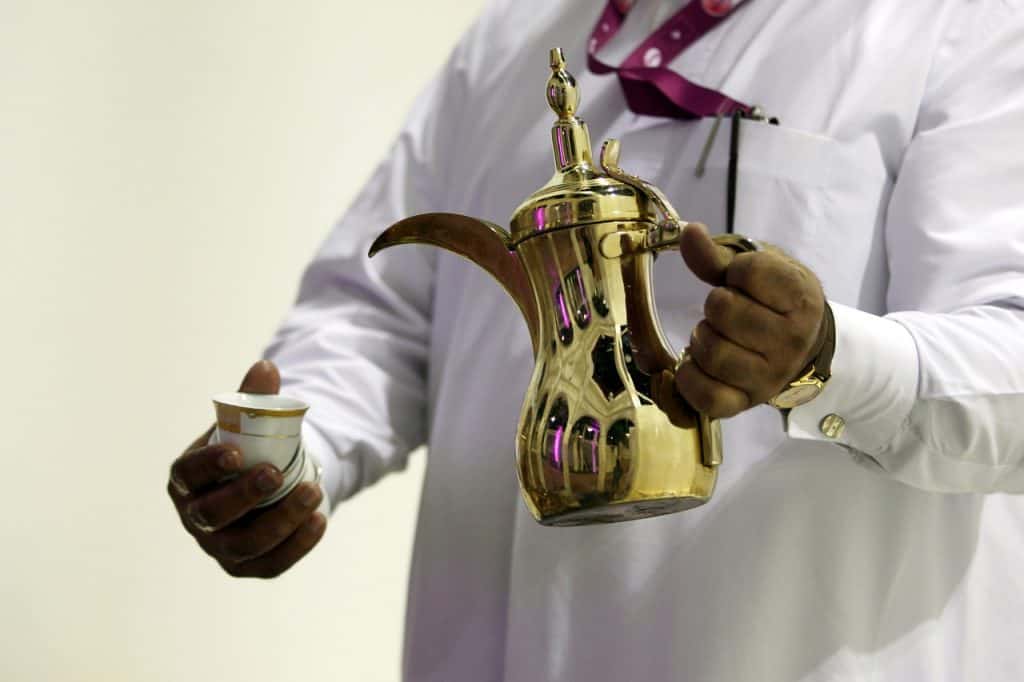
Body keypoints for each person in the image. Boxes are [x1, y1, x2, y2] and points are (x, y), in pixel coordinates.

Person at [167, 1, 1024, 679]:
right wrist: (291, 460)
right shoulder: (512, 37)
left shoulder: (963, 20)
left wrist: (830, 358)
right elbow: (379, 313)